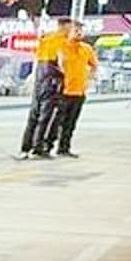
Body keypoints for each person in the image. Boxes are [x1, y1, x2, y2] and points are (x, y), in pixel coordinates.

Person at [17, 18, 69, 159]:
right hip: (52, 80)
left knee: (34, 114)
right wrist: (65, 73)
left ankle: (25, 147)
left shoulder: (46, 38)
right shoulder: (61, 40)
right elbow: (61, 59)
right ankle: (38, 148)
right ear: (64, 27)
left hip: (40, 78)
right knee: (46, 116)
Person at [45, 27, 98, 158]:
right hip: (63, 92)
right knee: (56, 122)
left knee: (71, 123)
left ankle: (64, 148)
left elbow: (94, 65)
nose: (79, 33)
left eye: (81, 31)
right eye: (76, 31)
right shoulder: (61, 47)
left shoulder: (86, 49)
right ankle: (47, 146)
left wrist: (89, 78)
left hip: (79, 92)